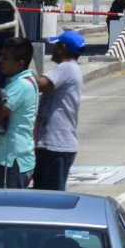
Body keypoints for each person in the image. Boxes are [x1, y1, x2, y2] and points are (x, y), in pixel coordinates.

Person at [0, 37, 38, 189]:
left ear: (20, 64)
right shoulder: (18, 81)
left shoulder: (21, 86)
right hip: (9, 159)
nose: (0, 60)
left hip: (11, 162)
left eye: (6, 57)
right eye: (1, 55)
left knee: (8, 210)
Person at [34, 30, 86, 191]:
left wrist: (22, 68)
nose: (53, 48)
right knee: (42, 196)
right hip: (51, 146)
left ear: (62, 47)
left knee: (50, 199)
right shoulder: (70, 68)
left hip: (57, 147)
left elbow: (41, 84)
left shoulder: (67, 68)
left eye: (55, 44)